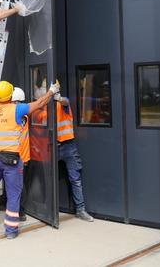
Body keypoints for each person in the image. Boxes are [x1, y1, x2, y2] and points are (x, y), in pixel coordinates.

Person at [0, 80, 58, 239]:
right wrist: (51, 91)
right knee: (14, 195)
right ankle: (10, 231)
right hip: (12, 161)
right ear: (11, 96)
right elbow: (40, 102)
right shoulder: (17, 109)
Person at [0, 87, 30, 221]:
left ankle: (20, 212)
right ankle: (3, 202)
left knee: (17, 186)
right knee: (9, 182)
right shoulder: (18, 112)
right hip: (13, 154)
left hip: (19, 155)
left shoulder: (19, 114)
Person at [56, 94, 94, 222]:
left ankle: (80, 210)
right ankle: (46, 211)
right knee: (47, 178)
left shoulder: (61, 103)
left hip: (68, 145)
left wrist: (58, 98)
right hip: (51, 146)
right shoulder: (42, 107)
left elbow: (66, 101)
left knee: (75, 179)